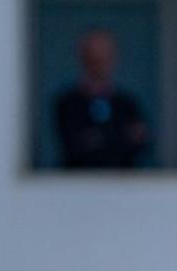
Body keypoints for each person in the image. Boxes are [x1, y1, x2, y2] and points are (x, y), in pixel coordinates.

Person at [54, 28, 150, 170]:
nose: (99, 64)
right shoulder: (67, 104)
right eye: (93, 58)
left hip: (122, 186)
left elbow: (140, 144)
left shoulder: (128, 104)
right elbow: (75, 147)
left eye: (105, 57)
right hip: (78, 186)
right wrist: (121, 136)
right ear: (83, 59)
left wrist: (99, 138)